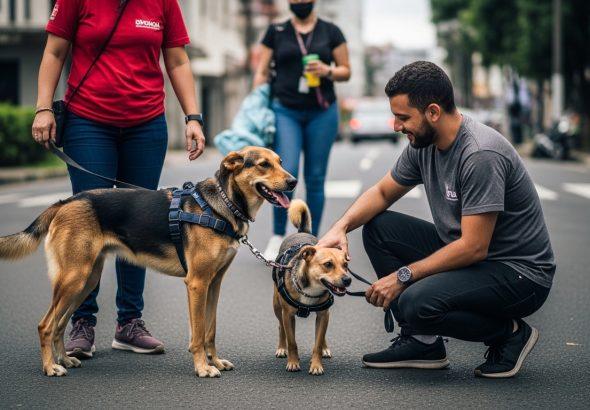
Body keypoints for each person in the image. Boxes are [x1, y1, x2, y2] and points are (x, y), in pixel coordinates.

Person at [318, 61, 555, 378]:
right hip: (470, 257)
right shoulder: (423, 143)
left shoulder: (480, 154)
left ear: (432, 112)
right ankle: (422, 341)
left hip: (519, 273)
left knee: (415, 301)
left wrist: (402, 276)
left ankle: (509, 334)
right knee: (378, 227)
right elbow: (383, 193)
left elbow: (473, 247)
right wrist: (340, 227)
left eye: (403, 118)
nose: (396, 126)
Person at [31, 0, 206, 359]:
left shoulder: (162, 2)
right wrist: (44, 107)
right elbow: (54, 51)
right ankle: (82, 323)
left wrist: (193, 116)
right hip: (87, 122)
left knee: (138, 220)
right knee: (89, 223)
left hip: (146, 124)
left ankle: (130, 322)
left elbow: (177, 60)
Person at [252, 0, 351, 259]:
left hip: (322, 112)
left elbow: (346, 71)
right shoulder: (276, 31)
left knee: (316, 178)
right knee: (284, 173)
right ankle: (277, 235)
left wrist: (327, 70)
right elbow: (261, 72)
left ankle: (311, 239)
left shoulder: (331, 31)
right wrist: (255, 105)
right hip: (285, 110)